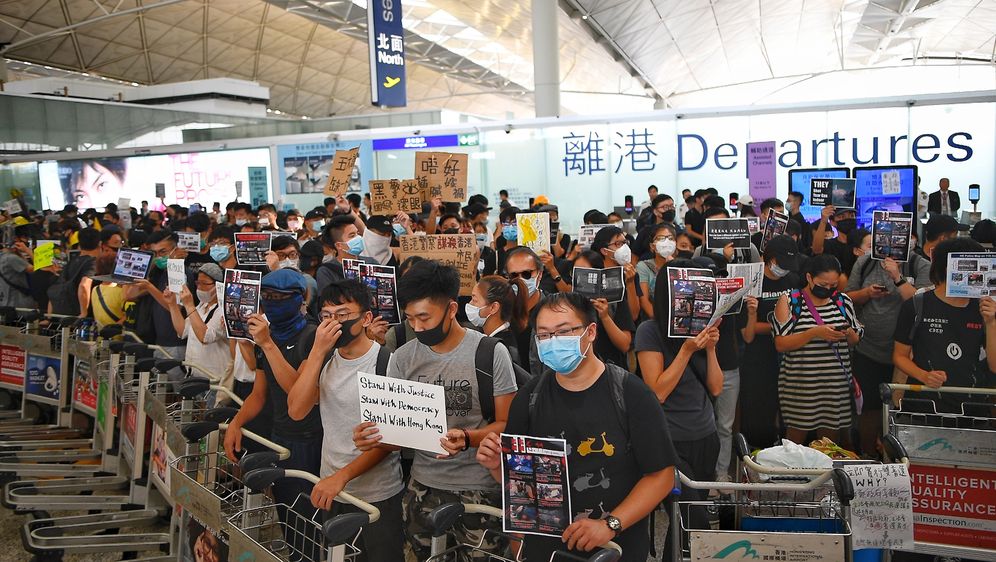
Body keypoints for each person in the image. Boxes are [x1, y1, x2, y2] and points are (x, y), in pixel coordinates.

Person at [476, 293, 677, 561]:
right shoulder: (530, 398)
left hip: (615, 548)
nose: (553, 342)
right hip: (548, 549)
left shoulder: (630, 394)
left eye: (563, 332)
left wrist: (610, 525)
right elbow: (521, 482)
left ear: (591, 331)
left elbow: (661, 475)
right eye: (544, 335)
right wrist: (496, 466)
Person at [352, 260, 517, 560]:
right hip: (422, 488)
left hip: (479, 491)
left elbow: (508, 424)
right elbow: (398, 434)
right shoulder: (402, 358)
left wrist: (469, 437)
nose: (417, 327)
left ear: (452, 309)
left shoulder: (490, 353)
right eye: (410, 318)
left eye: (425, 318)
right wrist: (373, 437)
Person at [286, 280, 405, 561]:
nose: (333, 323)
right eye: (326, 316)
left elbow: (391, 440)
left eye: (342, 315)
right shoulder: (324, 359)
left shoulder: (388, 363)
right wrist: (317, 352)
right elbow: (297, 410)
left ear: (365, 318)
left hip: (377, 494)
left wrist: (342, 476)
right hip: (332, 489)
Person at [225, 269, 324, 548]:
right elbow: (260, 393)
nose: (272, 302)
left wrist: (268, 344)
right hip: (278, 437)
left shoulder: (312, 337)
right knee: (288, 517)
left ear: (300, 299)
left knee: (310, 521)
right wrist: (236, 423)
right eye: (266, 297)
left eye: (280, 297)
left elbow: (298, 395)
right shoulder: (264, 338)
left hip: (311, 441)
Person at [638, 259, 722, 559]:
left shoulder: (705, 330)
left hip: (705, 436)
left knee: (691, 518)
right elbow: (657, 392)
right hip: (668, 441)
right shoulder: (650, 331)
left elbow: (715, 387)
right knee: (689, 518)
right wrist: (687, 350)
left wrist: (710, 348)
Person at [845, 235, 931, 456]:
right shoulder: (865, 262)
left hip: (907, 355)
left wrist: (897, 278)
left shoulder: (919, 264)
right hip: (868, 349)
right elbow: (847, 297)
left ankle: (896, 457)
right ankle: (868, 456)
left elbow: (923, 305)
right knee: (869, 408)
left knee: (898, 408)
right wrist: (866, 293)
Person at [893, 238, 996, 413]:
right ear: (948, 268)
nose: (974, 272)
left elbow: (994, 366)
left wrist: (991, 323)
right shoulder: (916, 304)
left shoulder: (986, 308)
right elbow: (899, 356)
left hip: (973, 405)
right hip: (924, 405)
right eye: (968, 265)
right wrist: (924, 376)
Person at [773, 254, 863, 446]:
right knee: (794, 443)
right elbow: (781, 343)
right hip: (800, 386)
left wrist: (847, 333)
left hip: (834, 385)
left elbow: (855, 340)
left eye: (833, 286)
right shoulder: (790, 300)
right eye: (823, 284)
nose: (828, 290)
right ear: (809, 277)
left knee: (829, 444)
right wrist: (814, 333)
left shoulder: (842, 301)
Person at [738, 235, 801, 448]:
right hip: (757, 357)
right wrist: (781, 328)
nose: (784, 270)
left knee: (787, 408)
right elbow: (748, 330)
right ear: (768, 259)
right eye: (781, 265)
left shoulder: (792, 280)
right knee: (758, 408)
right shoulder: (752, 282)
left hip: (789, 357)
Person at [164, 263, 230, 401]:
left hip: (213, 382)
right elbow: (183, 331)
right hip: (193, 375)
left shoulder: (224, 310)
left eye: (204, 283)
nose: (199, 287)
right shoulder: (201, 306)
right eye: (198, 283)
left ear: (218, 285)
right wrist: (172, 305)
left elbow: (205, 337)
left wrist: (189, 305)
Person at [466, 275, 530, 366]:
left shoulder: (501, 348)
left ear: (493, 307)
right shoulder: (493, 338)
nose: (470, 304)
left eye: (474, 300)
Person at [636, 223, 678, 318]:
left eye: (670, 238)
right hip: (654, 319)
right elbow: (644, 301)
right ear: (652, 246)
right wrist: (659, 322)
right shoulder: (643, 266)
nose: (666, 242)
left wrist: (672, 266)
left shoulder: (682, 265)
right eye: (661, 238)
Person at [0, 221, 39, 309]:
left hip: (6, 302)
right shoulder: (12, 259)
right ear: (15, 240)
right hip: (18, 303)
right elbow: (38, 269)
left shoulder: (3, 256)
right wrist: (28, 251)